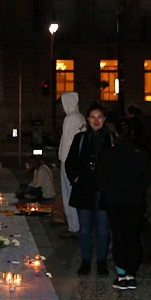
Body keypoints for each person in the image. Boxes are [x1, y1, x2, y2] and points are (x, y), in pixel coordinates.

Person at [97, 117, 150, 289]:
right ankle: (131, 274)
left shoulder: (111, 153)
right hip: (135, 201)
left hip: (116, 201)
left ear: (117, 133)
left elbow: (102, 179)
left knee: (119, 236)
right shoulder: (140, 152)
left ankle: (121, 275)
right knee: (132, 237)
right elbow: (148, 177)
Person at [65, 101, 113, 276]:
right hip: (84, 188)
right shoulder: (80, 138)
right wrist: (75, 178)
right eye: (93, 117)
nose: (96, 120)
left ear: (104, 119)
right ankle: (85, 261)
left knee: (102, 227)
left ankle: (101, 261)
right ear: (87, 119)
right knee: (85, 228)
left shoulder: (110, 138)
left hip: (104, 189)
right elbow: (70, 162)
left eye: (99, 117)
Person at [57, 91, 86, 235]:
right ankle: (78, 224)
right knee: (76, 194)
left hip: (68, 161)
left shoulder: (70, 118)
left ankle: (73, 226)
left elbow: (67, 142)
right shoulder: (80, 117)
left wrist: (64, 161)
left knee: (68, 194)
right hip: (77, 162)